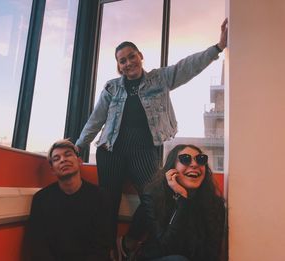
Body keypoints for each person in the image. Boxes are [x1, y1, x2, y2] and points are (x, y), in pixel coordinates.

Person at [76, 19, 228, 243]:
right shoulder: (111, 87)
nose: (128, 63)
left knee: (157, 197)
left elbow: (187, 66)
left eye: (131, 56)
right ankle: (107, 250)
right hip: (111, 152)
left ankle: (129, 241)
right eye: (122, 61)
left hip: (145, 151)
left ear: (140, 56)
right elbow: (96, 118)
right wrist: (80, 144)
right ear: (119, 66)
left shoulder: (160, 79)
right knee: (108, 203)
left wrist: (218, 48)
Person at [118, 144, 226, 261]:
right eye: (185, 159)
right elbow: (166, 246)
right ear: (172, 169)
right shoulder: (154, 196)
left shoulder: (214, 203)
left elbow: (213, 251)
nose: (194, 164)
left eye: (201, 160)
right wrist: (183, 199)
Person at [27, 139, 113, 261]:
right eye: (56, 158)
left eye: (68, 155)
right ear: (52, 169)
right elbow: (38, 246)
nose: (63, 160)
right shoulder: (41, 200)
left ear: (79, 161)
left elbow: (102, 246)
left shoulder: (101, 197)